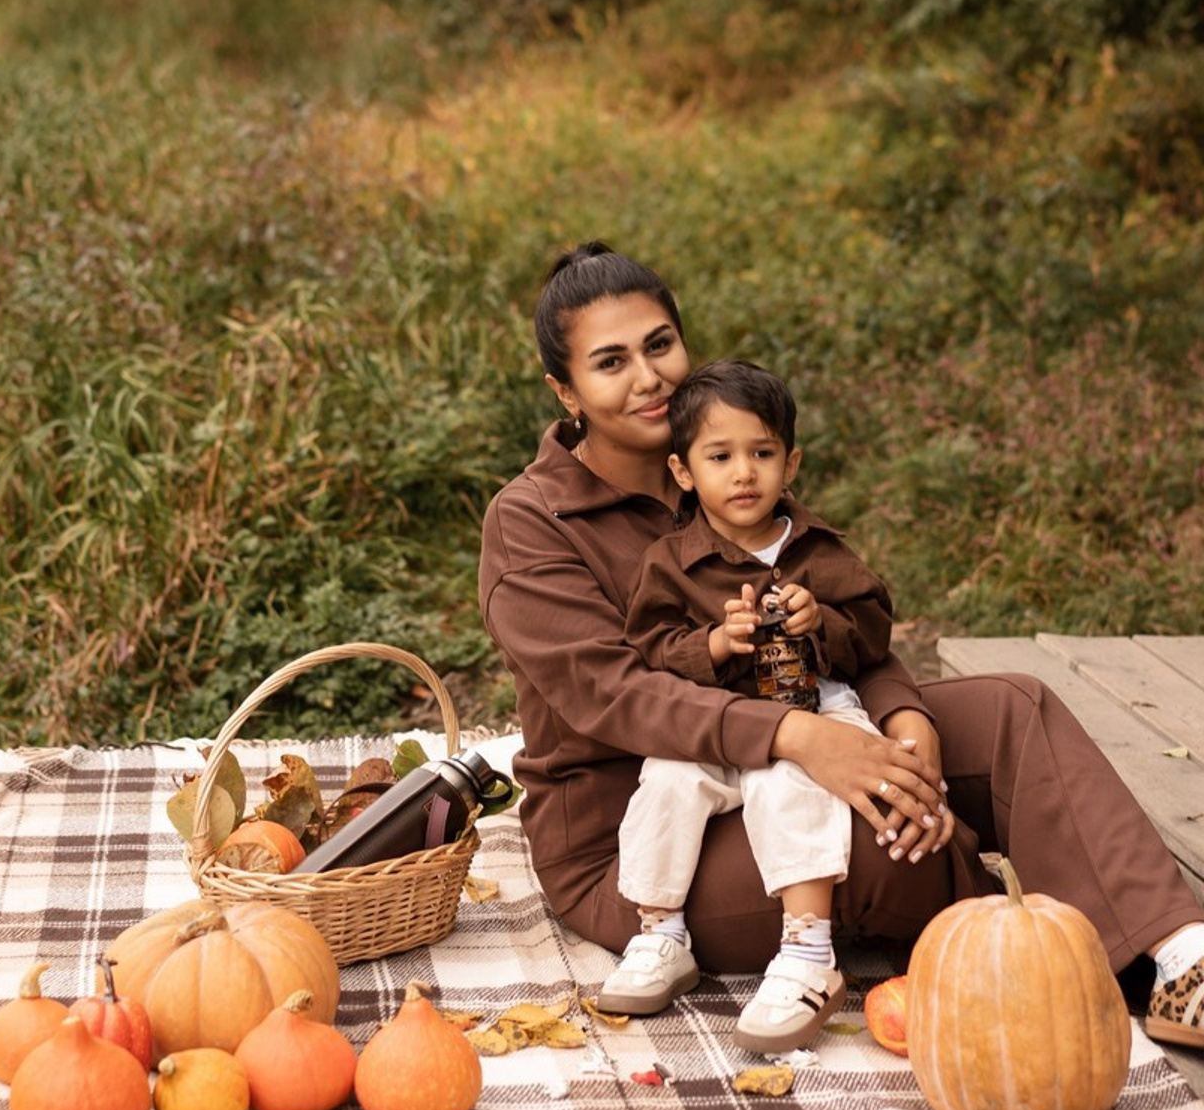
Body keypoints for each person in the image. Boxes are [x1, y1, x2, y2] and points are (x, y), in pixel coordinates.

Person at [477, 240, 1204, 1051]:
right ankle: (1007, 898)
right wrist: (803, 738)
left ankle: (1179, 958)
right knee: (875, 841)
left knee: (1010, 708)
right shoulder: (532, 520)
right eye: (610, 362)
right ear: (564, 389)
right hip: (652, 837)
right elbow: (612, 695)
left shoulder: (737, 463)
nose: (647, 377)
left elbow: (834, 609)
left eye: (658, 345)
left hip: (790, 751)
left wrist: (903, 720)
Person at [599, 359, 895, 1054]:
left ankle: (807, 952)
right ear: (682, 471)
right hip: (714, 721)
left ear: (790, 463)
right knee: (665, 779)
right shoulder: (672, 563)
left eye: (762, 454)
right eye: (720, 456)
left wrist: (819, 620)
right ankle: (661, 931)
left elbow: (874, 633)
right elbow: (649, 649)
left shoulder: (817, 551)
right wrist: (712, 643)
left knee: (787, 778)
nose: (743, 473)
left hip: (811, 712)